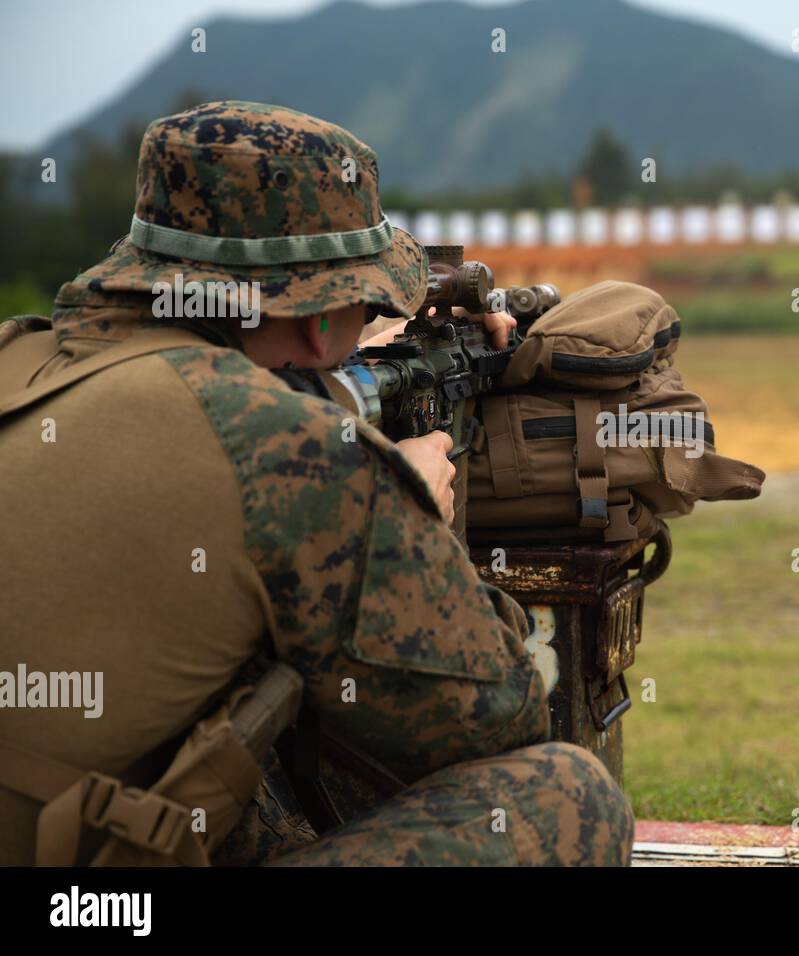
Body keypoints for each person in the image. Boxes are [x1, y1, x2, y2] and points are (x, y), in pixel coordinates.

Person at [0, 100, 634, 866]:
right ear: (317, 321)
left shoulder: (20, 364)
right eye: (363, 302)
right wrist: (406, 514)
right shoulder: (285, 446)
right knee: (568, 795)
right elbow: (500, 716)